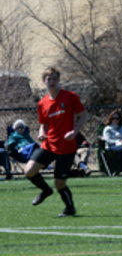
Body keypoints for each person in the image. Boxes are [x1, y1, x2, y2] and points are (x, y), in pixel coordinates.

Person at [24, 67, 87, 217]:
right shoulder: (42, 103)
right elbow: (44, 123)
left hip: (66, 147)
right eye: (48, 79)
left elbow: (83, 115)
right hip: (49, 145)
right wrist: (41, 132)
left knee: (60, 183)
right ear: (44, 81)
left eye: (54, 79)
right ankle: (45, 190)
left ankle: (69, 209)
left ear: (58, 80)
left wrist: (75, 132)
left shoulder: (70, 97)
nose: (51, 82)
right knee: (29, 171)